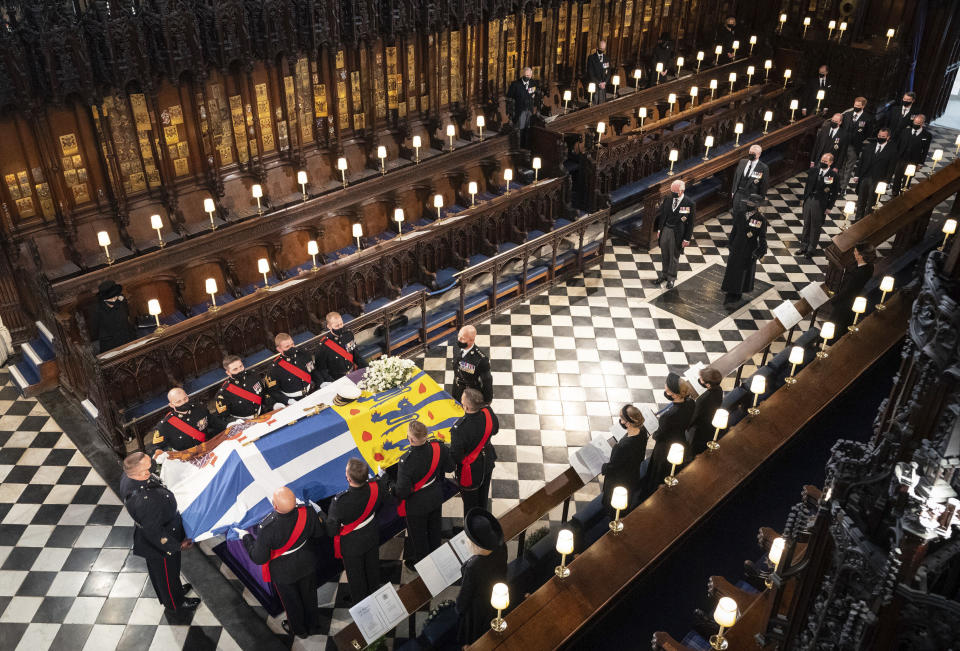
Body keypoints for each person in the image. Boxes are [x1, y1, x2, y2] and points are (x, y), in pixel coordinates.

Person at [239, 487, 326, 639]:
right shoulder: (307, 511)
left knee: (292, 603)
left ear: (275, 506)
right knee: (310, 596)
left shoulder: (267, 527)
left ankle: (299, 630)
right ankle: (313, 625)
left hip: (284, 571)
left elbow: (259, 558)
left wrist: (246, 537)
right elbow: (318, 533)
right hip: (307, 562)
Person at [119, 452, 200, 613]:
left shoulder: (129, 475)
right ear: (142, 473)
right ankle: (175, 603)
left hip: (159, 528)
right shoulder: (145, 501)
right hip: (160, 544)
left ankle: (174, 591)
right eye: (150, 465)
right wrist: (177, 546)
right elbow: (155, 533)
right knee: (166, 575)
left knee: (168, 572)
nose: (153, 464)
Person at [390, 421, 454, 566]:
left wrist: (390, 485)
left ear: (410, 439)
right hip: (435, 496)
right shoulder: (439, 447)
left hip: (416, 505)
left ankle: (424, 566)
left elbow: (402, 492)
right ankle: (437, 558)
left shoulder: (406, 462)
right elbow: (450, 467)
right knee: (434, 529)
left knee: (419, 537)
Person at [327, 458, 384, 603]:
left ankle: (361, 603)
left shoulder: (339, 502)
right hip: (371, 534)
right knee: (372, 568)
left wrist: (321, 515)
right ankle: (375, 593)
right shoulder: (375, 486)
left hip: (352, 545)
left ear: (348, 478)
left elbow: (332, 530)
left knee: (355, 575)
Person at [456, 508, 508, 646]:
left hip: (477, 609)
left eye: (468, 539)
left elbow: (465, 595)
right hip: (496, 595)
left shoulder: (473, 567)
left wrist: (459, 609)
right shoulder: (501, 547)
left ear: (475, 545)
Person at [642, 374, 696, 496]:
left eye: (666, 387)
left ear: (673, 394)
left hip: (665, 448)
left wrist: (655, 433)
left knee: (658, 472)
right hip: (680, 439)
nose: (665, 387)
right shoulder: (691, 403)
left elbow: (659, 435)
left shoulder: (668, 416)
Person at [450, 388, 498, 514]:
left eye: (461, 401)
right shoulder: (488, 412)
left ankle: (472, 528)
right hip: (487, 460)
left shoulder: (458, 429)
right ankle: (483, 519)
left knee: (470, 505)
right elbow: (495, 429)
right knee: (483, 496)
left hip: (470, 471)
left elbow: (456, 456)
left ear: (466, 407)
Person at [600, 405, 647, 516]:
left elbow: (612, 468)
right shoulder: (642, 431)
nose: (620, 421)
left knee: (614, 508)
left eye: (622, 419)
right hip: (632, 475)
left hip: (618, 481)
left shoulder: (622, 446)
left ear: (628, 423)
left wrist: (603, 467)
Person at [722, 194, 768, 304]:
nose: (748, 205)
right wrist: (730, 243)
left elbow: (762, 238)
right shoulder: (740, 214)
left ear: (756, 206)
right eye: (748, 203)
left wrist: (759, 252)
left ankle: (738, 292)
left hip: (748, 248)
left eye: (751, 204)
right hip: (737, 246)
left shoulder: (760, 219)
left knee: (742, 272)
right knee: (732, 269)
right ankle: (730, 290)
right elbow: (734, 230)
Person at [148, 387, 225, 453]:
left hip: (206, 449)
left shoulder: (200, 409)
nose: (184, 403)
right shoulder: (165, 425)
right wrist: (161, 455)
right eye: (178, 402)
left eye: (185, 399)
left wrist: (227, 427)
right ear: (171, 405)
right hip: (185, 460)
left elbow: (215, 422)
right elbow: (156, 447)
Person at [654, 179, 695, 289]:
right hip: (665, 229)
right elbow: (662, 215)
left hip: (677, 233)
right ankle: (664, 274)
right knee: (664, 254)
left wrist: (687, 238)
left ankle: (671, 278)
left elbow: (690, 223)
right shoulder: (668, 199)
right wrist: (659, 230)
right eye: (671, 191)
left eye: (674, 192)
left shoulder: (689, 203)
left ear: (681, 191)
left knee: (674, 256)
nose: (672, 194)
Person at [829, 242, 876, 335]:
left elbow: (848, 291)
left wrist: (834, 300)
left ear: (860, 256)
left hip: (845, 303)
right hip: (849, 299)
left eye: (855, 251)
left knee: (836, 327)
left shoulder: (860, 273)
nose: (853, 253)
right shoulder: (868, 266)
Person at [799, 153, 840, 257]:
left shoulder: (833, 175)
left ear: (830, 163)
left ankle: (811, 249)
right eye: (822, 160)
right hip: (809, 200)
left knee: (815, 227)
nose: (823, 163)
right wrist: (805, 199)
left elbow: (834, 193)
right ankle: (803, 246)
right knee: (806, 224)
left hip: (820, 203)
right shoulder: (814, 170)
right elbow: (807, 186)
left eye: (825, 161)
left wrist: (829, 207)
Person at [851, 128, 897, 221]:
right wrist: (857, 175)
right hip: (865, 177)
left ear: (888, 137)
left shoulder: (892, 151)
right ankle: (857, 219)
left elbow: (891, 168)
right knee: (861, 200)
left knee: (871, 202)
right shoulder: (869, 147)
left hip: (878, 179)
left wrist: (886, 182)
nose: (880, 138)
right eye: (879, 136)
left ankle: (866, 221)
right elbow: (861, 162)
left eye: (883, 137)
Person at [313, 311, 366, 384]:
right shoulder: (323, 346)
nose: (340, 327)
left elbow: (356, 355)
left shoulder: (348, 334)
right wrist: (333, 384)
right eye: (336, 326)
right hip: (337, 381)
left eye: (341, 324)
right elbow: (322, 369)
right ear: (329, 326)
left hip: (353, 374)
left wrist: (366, 367)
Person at [730, 144, 770, 237]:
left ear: (759, 154)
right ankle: (734, 239)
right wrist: (733, 191)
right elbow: (736, 177)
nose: (751, 155)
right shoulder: (742, 162)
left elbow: (764, 186)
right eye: (750, 153)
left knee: (746, 218)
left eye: (754, 154)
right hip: (738, 194)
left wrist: (759, 201)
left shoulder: (763, 168)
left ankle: (743, 239)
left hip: (750, 197)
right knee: (736, 216)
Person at [264, 332, 315, 406]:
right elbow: (273, 391)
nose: (292, 348)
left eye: (292, 344)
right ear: (279, 349)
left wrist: (321, 382)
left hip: (311, 392)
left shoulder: (303, 354)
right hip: (293, 401)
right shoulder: (274, 368)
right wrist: (287, 400)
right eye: (287, 347)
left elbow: (312, 370)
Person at [686, 367, 724, 457]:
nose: (699, 380)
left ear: (708, 384)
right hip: (710, 423)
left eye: (701, 379)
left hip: (699, 431)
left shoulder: (702, 400)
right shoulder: (719, 390)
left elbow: (694, 418)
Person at [215, 354, 267, 420]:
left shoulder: (253, 375)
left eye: (241, 366)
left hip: (263, 414)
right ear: (228, 372)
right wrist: (235, 422)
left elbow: (264, 393)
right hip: (243, 423)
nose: (240, 370)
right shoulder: (223, 393)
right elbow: (223, 417)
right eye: (235, 369)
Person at [450, 325, 493, 404]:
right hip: (456, 388)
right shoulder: (456, 347)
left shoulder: (481, 359)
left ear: (471, 340)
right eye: (458, 336)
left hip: (470, 393)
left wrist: (487, 401)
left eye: (462, 338)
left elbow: (487, 382)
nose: (459, 340)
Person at [891, 114, 932, 196]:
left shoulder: (927, 135)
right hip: (901, 159)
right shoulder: (905, 131)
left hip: (913, 161)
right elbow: (898, 145)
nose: (915, 124)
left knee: (907, 179)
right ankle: (894, 194)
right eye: (915, 122)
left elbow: (925, 151)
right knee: (897, 178)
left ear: (922, 123)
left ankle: (903, 194)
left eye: (918, 123)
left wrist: (920, 163)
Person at [840, 97, 875, 188]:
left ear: (863, 106)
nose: (856, 107)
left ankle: (843, 187)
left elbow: (868, 132)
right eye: (855, 105)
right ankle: (838, 185)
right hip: (843, 144)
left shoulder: (867, 118)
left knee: (849, 167)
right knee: (841, 165)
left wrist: (858, 139)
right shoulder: (847, 115)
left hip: (855, 147)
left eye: (858, 106)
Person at [93, 279, 136, 352]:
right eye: (112, 297)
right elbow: (96, 329)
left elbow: (128, 316)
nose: (115, 299)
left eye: (115, 296)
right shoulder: (98, 309)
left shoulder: (121, 300)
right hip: (111, 344)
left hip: (128, 337)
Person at [506, 67, 539, 143]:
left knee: (528, 129)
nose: (527, 77)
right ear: (522, 74)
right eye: (525, 75)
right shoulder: (515, 84)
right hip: (520, 110)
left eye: (529, 76)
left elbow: (535, 93)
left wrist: (533, 96)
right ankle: (520, 147)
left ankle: (527, 145)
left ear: (531, 75)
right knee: (521, 130)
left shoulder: (533, 83)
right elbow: (509, 96)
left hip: (530, 110)